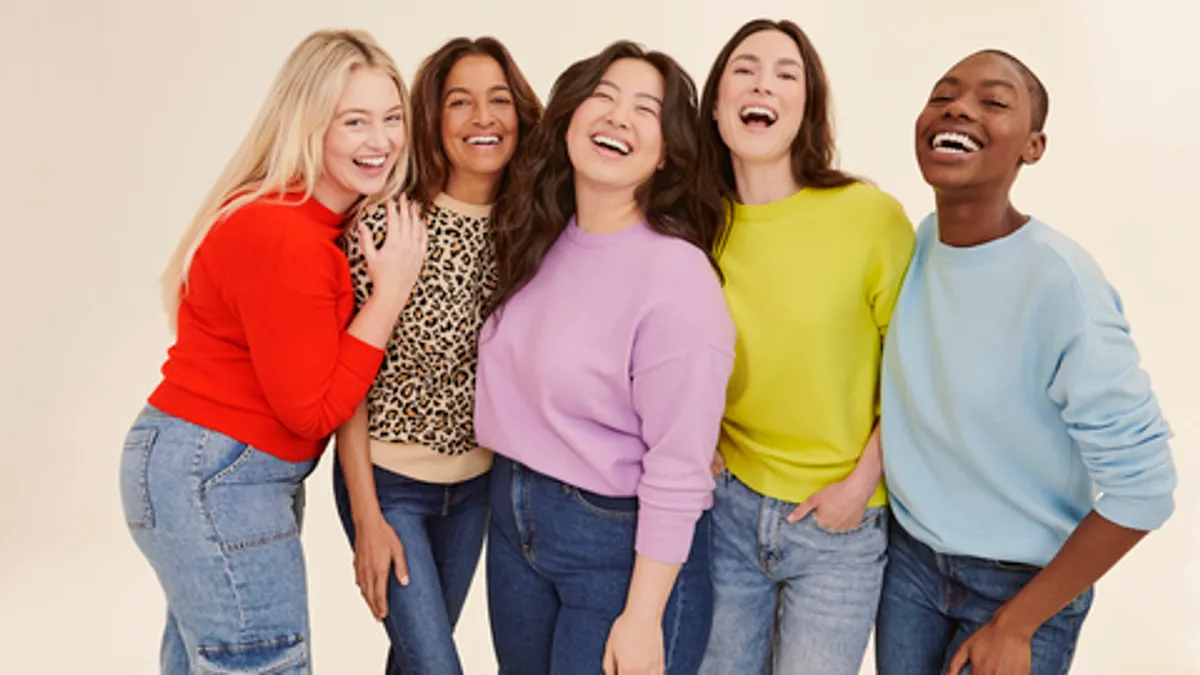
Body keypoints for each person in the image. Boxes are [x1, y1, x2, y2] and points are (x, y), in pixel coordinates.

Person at [117, 29, 426, 674]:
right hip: (216, 474)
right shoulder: (285, 234)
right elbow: (309, 412)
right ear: (309, 125)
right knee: (263, 662)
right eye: (355, 122)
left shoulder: (308, 222)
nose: (382, 141)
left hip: (210, 469)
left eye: (392, 118)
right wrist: (390, 293)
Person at [875, 49, 1177, 675]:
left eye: (993, 100)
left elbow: (1145, 487)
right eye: (943, 95)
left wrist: (1016, 624)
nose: (958, 107)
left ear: (1033, 147)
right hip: (909, 565)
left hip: (1019, 587)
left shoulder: (1061, 284)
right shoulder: (916, 246)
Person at [474, 40, 736, 675]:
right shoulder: (540, 236)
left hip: (615, 543)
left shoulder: (678, 277)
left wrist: (644, 616)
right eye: (604, 96)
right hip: (512, 520)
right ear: (570, 116)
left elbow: (680, 465)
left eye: (646, 110)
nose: (619, 117)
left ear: (667, 150)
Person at [693, 19, 916, 675]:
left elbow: (919, 374)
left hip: (841, 524)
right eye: (745, 68)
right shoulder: (696, 226)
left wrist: (862, 483)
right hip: (729, 510)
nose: (764, 82)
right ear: (715, 102)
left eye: (786, 74)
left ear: (807, 107)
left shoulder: (869, 217)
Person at [332, 36, 541, 674]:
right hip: (389, 484)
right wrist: (367, 516)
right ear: (434, 118)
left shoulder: (534, 230)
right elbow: (348, 380)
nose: (483, 118)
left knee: (417, 662)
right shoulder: (388, 225)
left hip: (476, 491)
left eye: (498, 100)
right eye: (460, 102)